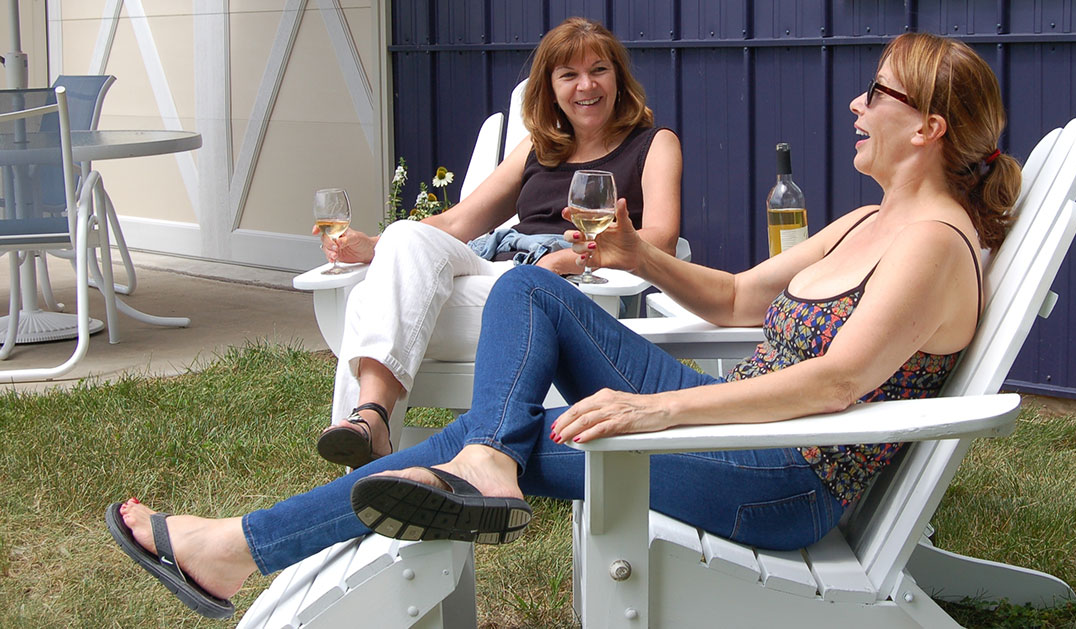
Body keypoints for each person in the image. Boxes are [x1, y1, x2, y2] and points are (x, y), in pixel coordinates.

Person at [107, 31, 1021, 619]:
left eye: (877, 95)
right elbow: (742, 300)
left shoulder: (933, 245)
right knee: (531, 290)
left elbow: (832, 383)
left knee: (500, 429)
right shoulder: (868, 221)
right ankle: (482, 465)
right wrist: (634, 253)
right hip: (741, 424)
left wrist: (650, 410)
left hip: (780, 479)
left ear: (929, 127)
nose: (856, 106)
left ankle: (235, 546)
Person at [314, 16, 682, 469]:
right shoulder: (536, 149)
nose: (586, 85)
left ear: (618, 78)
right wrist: (375, 245)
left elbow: (661, 240)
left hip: (567, 294)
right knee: (406, 235)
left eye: (599, 70)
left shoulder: (653, 144)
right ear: (550, 89)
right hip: (497, 270)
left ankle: (367, 441)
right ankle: (371, 423)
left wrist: (565, 260)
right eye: (569, 75)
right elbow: (455, 223)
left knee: (367, 302)